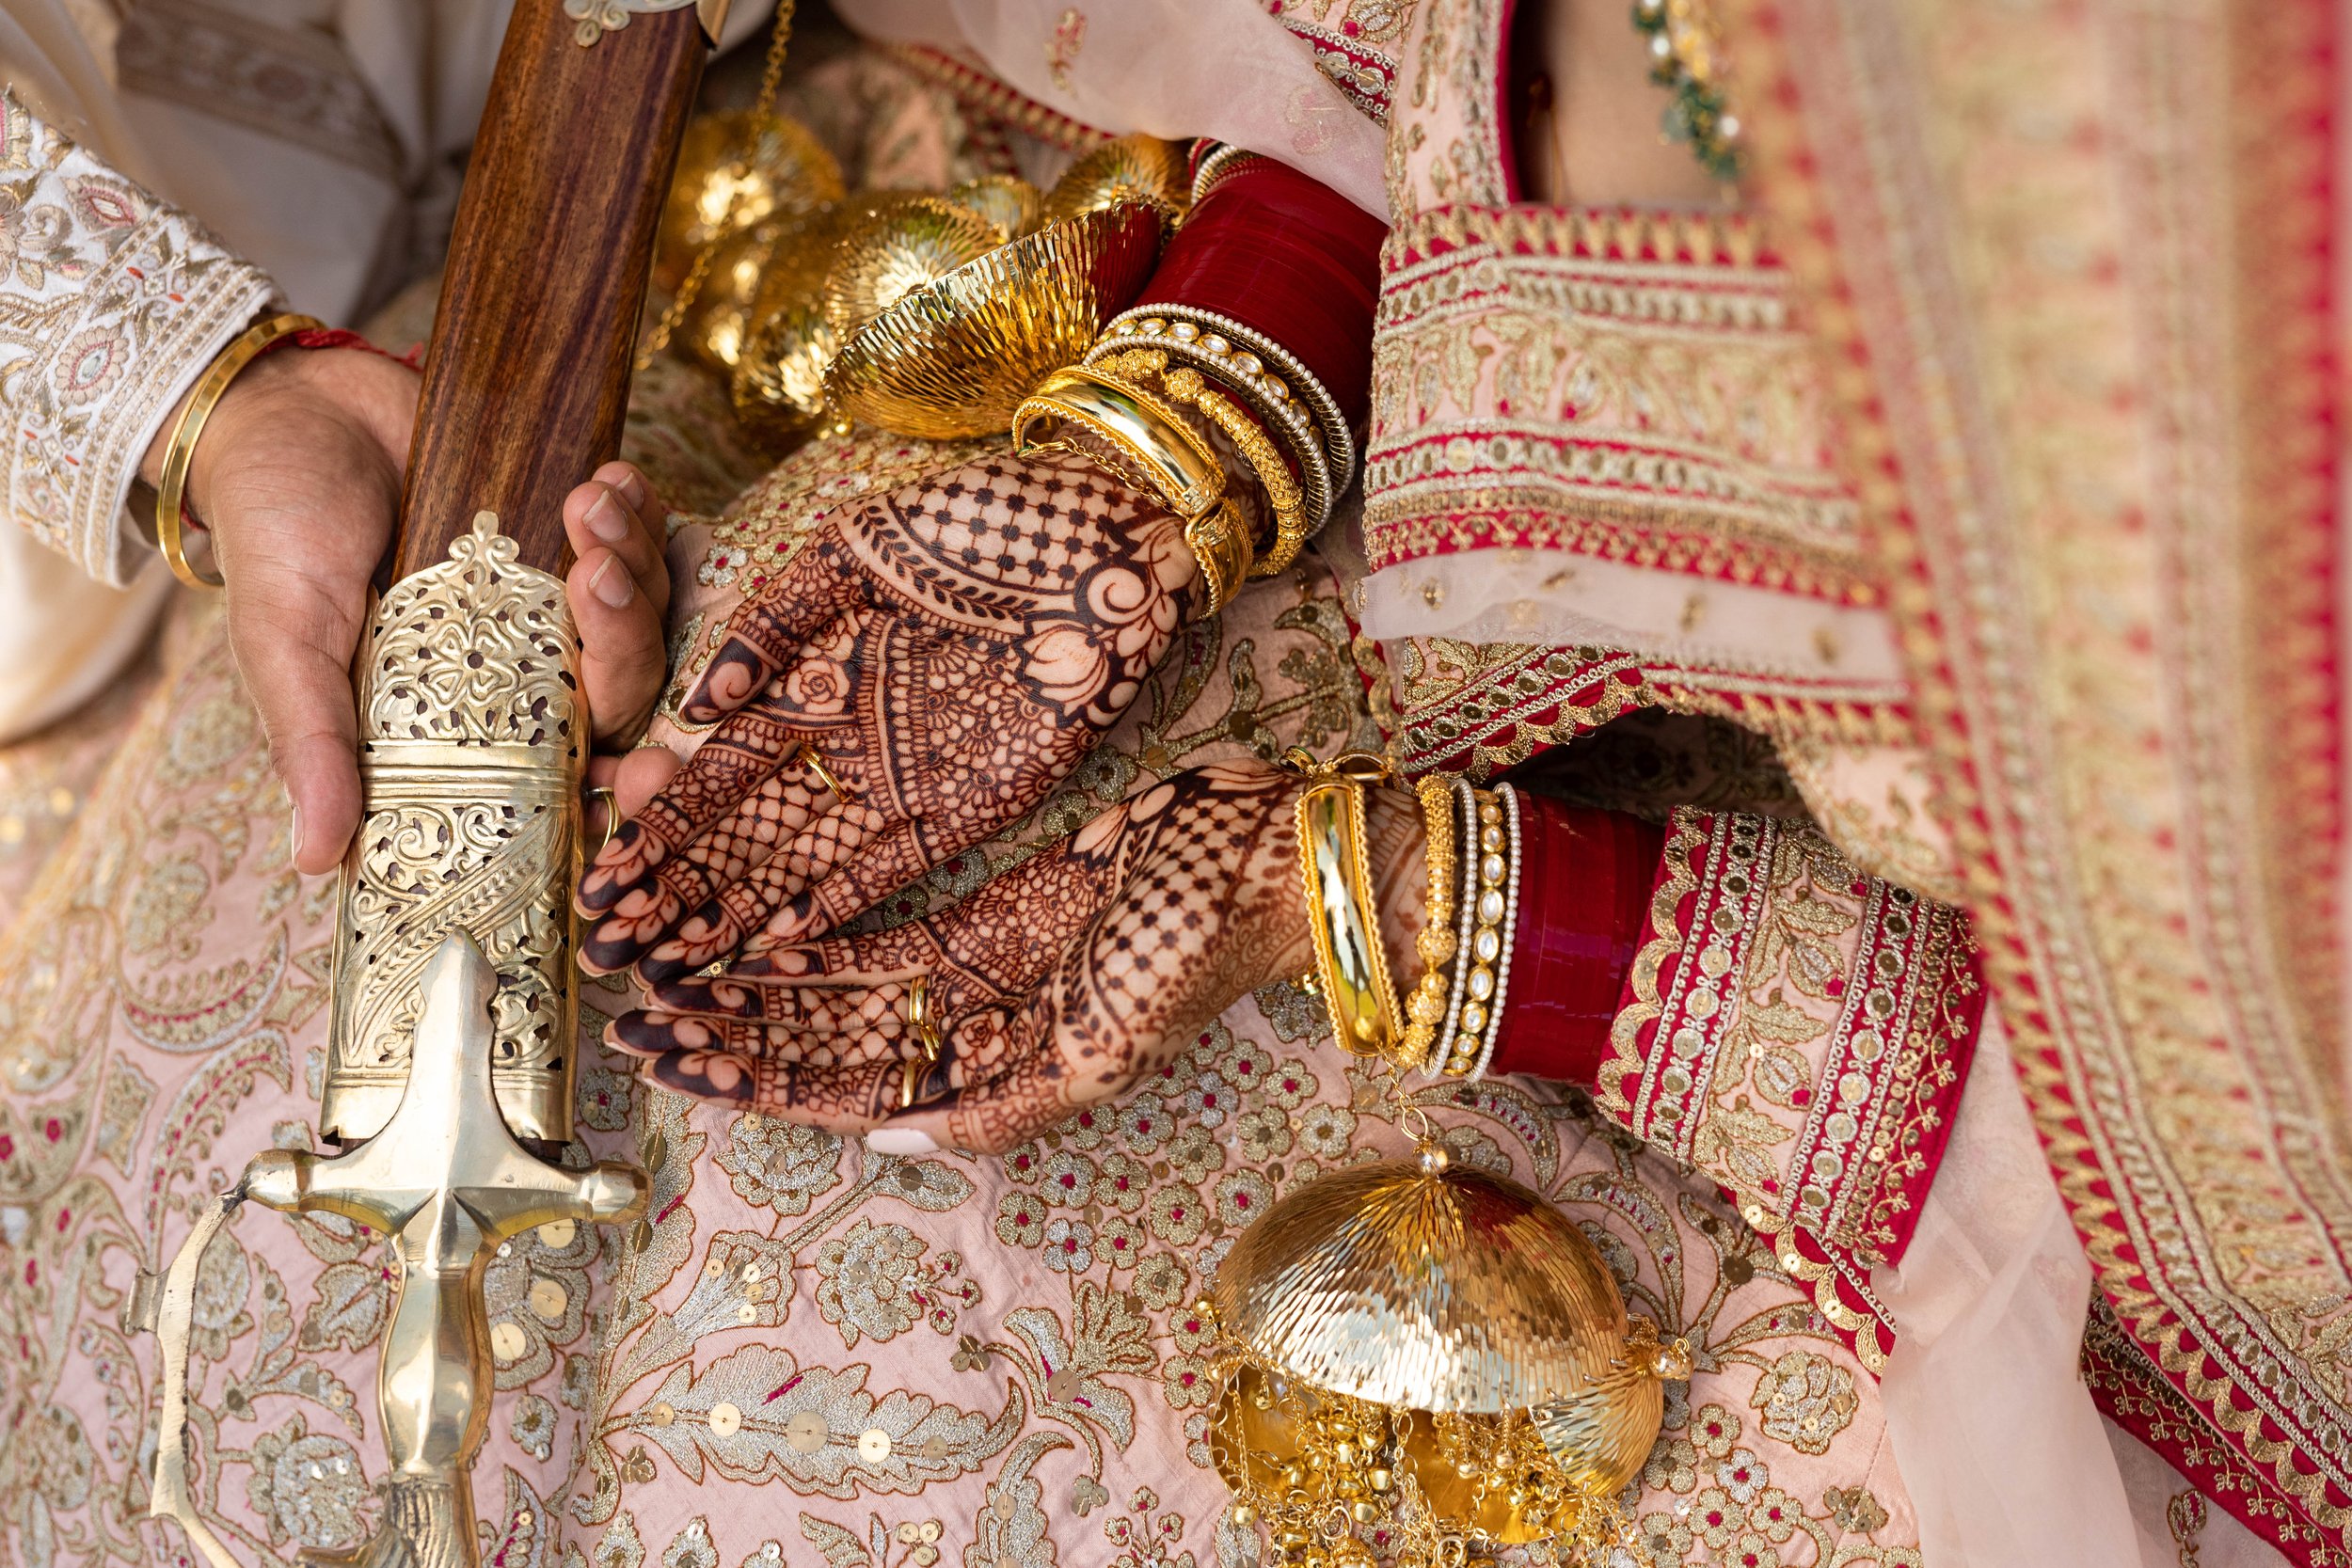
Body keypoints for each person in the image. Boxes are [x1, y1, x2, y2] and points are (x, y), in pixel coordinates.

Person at [0, 7, 2337, 1568]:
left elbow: (2241, 1074)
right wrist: (1190, 412)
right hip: (1060, 221)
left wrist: (1406, 898)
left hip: (1836, 905)